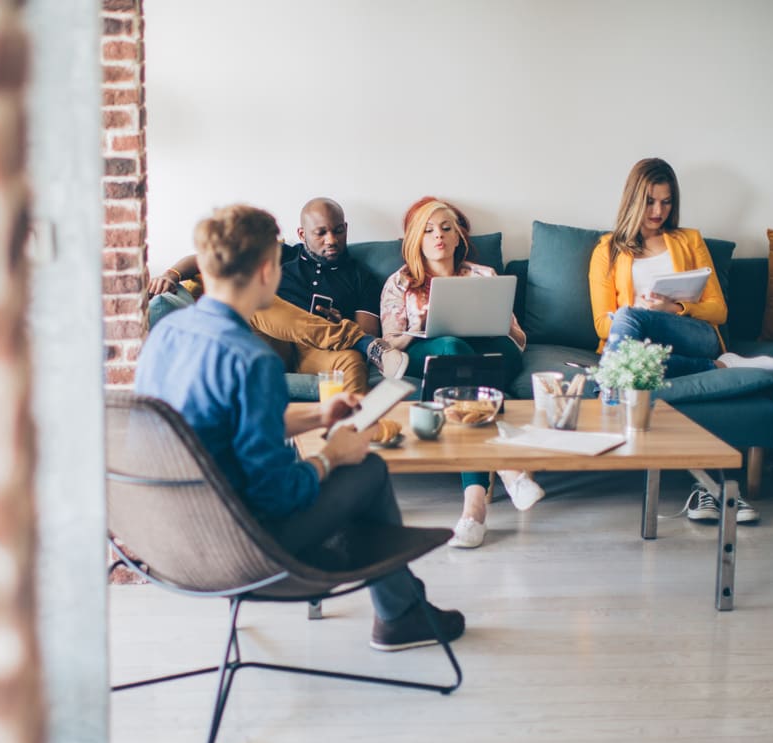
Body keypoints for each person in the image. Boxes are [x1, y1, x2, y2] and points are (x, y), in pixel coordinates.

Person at [136, 203, 464, 651]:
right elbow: (279, 494)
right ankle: (400, 613)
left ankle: (402, 608)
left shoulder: (166, 337)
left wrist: (317, 416)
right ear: (270, 270)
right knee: (366, 470)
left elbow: (221, 423)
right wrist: (332, 456)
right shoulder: (252, 361)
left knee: (351, 464)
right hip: (243, 550)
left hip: (172, 541)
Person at [590, 157, 773, 523]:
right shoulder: (608, 250)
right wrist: (640, 313)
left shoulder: (689, 240)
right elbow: (602, 324)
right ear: (633, 200)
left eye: (666, 202)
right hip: (642, 347)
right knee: (629, 323)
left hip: (692, 334)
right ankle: (715, 370)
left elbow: (718, 311)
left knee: (627, 324)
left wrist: (672, 307)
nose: (658, 211)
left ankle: (606, 392)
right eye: (650, 201)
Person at [380, 197, 544, 550]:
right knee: (453, 348)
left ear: (458, 238)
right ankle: (491, 487)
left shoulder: (484, 276)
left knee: (474, 360)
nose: (438, 236)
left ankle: (478, 508)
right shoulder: (400, 283)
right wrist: (424, 327)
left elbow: (518, 337)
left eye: (445, 228)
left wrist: (494, 321)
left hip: (493, 352)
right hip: (432, 351)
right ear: (415, 241)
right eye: (428, 230)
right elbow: (389, 342)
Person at [148, 198, 406, 394]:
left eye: (338, 231)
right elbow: (205, 259)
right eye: (321, 232)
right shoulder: (281, 256)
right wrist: (171, 274)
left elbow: (368, 328)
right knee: (259, 302)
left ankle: (352, 432)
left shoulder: (362, 277)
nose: (332, 240)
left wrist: (340, 321)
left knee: (350, 360)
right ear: (303, 234)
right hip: (270, 343)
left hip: (315, 350)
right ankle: (360, 341)